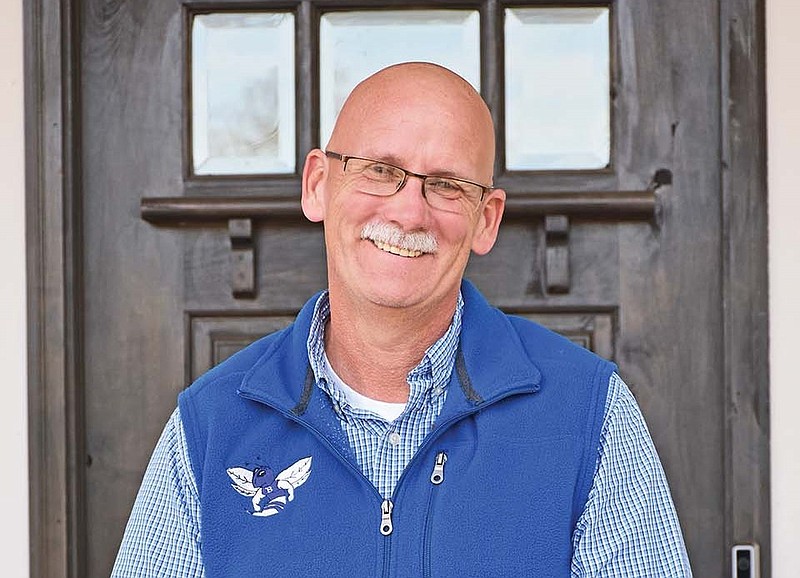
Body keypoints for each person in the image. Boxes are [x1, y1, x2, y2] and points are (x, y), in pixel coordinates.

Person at [111, 62, 692, 577]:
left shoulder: (588, 413)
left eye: (446, 185)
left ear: (486, 220)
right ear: (318, 185)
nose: (409, 210)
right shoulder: (209, 427)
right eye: (380, 169)